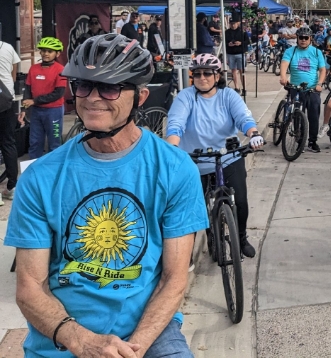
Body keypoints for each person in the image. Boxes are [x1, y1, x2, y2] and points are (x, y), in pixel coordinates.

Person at [6, 33, 207, 357]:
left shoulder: (174, 169)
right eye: (83, 85)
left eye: (109, 87)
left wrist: (133, 349)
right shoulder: (41, 178)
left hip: (148, 330)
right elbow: (30, 289)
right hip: (64, 335)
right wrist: (82, 341)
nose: (92, 97)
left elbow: (173, 279)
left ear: (140, 97)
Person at [166, 53, 263, 257]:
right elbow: (176, 124)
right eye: (197, 74)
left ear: (217, 75)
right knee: (191, 209)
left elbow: (243, 118)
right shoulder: (186, 96)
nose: (202, 78)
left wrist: (253, 134)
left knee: (242, 202)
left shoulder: (228, 96)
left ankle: (242, 238)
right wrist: (171, 148)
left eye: (207, 73)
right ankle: (188, 252)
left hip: (227, 157)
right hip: (195, 160)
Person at [279, 26, 327, 153]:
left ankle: (312, 141)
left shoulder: (317, 52)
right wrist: (283, 77)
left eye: (306, 38)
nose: (303, 40)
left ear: (310, 39)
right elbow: (284, 64)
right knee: (297, 115)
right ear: (297, 38)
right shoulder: (291, 51)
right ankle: (299, 140)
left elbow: (322, 70)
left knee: (313, 115)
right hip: (295, 87)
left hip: (312, 88)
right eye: (301, 38)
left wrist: (320, 83)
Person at [19, 37, 67, 159]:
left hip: (53, 112)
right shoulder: (33, 68)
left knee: (54, 144)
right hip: (36, 112)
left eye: (50, 51)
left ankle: (53, 172)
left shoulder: (60, 69)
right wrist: (24, 109)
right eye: (43, 50)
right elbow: (28, 90)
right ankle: (33, 172)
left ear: (57, 53)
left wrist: (34, 101)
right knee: (35, 142)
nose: (46, 54)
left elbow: (58, 93)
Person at [0, 39, 21, 202]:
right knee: (8, 142)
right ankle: (12, 186)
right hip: (6, 101)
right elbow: (13, 75)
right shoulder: (7, 47)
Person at [225, 19, 247, 92]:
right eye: (231, 23)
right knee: (233, 70)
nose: (233, 25)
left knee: (241, 70)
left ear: (238, 23)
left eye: (234, 23)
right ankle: (236, 87)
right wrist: (229, 44)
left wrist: (240, 43)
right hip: (231, 53)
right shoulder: (227, 32)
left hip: (240, 52)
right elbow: (225, 42)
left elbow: (247, 41)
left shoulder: (242, 32)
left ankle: (244, 87)